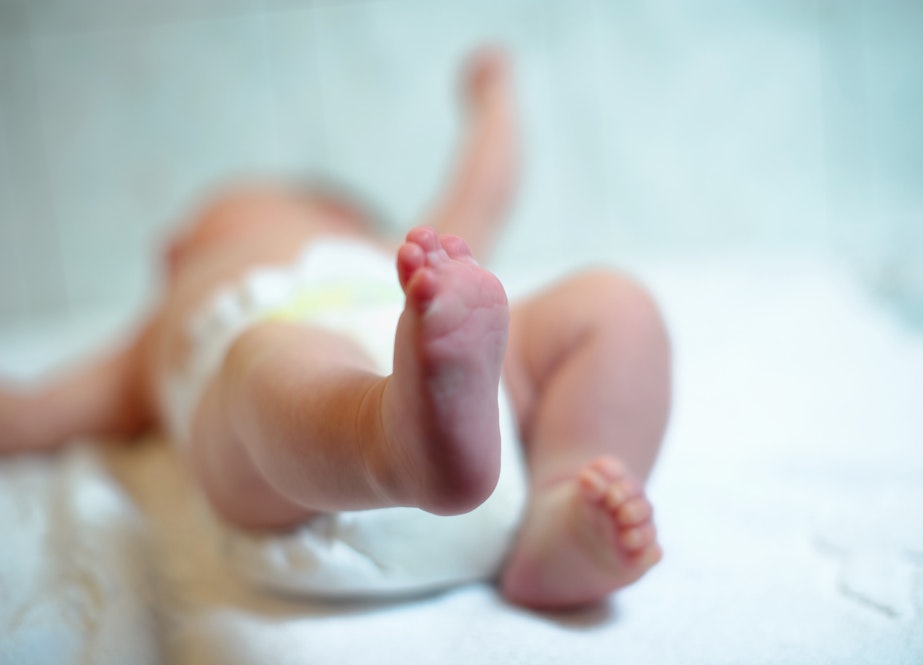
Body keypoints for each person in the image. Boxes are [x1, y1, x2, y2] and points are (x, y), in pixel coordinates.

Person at [0, 49, 670, 610]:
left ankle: (560, 509)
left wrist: (494, 102)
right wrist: (493, 97)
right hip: (302, 475)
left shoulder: (406, 258)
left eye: (211, 215)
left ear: (336, 215)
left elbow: (484, 192)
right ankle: (391, 441)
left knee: (611, 303)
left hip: (432, 371)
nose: (170, 246)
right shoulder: (149, 342)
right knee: (259, 363)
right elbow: (32, 414)